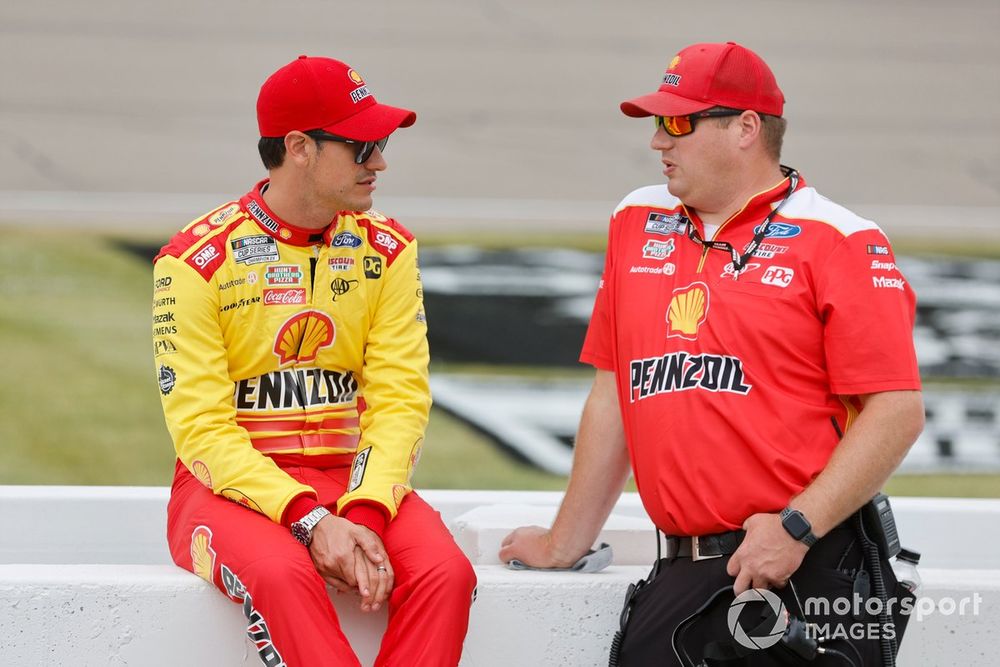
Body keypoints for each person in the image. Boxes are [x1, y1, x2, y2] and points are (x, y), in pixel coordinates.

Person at [500, 42, 924, 665]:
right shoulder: (635, 219)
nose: (658, 142)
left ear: (746, 129)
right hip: (683, 572)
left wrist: (796, 528)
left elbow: (897, 411)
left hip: (806, 563)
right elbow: (616, 392)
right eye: (657, 123)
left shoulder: (843, 241)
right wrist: (567, 542)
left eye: (677, 123)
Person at [152, 55, 476, 667]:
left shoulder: (388, 249)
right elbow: (200, 429)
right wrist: (309, 521)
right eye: (363, 146)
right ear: (299, 146)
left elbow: (400, 398)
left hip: (352, 484)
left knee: (446, 576)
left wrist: (365, 512)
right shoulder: (194, 260)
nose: (380, 162)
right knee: (281, 577)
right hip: (226, 490)